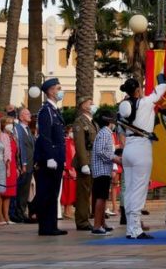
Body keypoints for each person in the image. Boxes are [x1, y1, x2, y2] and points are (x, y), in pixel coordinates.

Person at [117, 77, 166, 240]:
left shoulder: (123, 107)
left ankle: (131, 228)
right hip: (141, 148)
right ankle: (136, 229)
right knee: (138, 191)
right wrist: (162, 78)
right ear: (138, 90)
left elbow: (121, 130)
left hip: (128, 148)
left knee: (130, 190)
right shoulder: (145, 103)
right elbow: (161, 89)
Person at [33, 78, 68, 236]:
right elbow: (44, 136)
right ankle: (45, 226)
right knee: (46, 192)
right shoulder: (45, 110)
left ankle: (52, 225)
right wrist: (49, 157)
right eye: (58, 88)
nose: (61, 91)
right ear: (50, 91)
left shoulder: (54, 110)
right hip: (49, 159)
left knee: (53, 193)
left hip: (57, 158)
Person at [90, 115, 121, 235]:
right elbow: (101, 151)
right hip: (101, 170)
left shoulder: (105, 133)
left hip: (104, 170)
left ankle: (102, 224)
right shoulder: (105, 133)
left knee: (103, 197)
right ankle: (97, 226)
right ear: (109, 121)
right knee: (101, 198)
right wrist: (115, 158)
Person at [71, 96, 97, 231]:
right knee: (83, 194)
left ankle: (86, 218)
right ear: (83, 106)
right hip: (85, 161)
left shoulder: (92, 122)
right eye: (90, 103)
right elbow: (80, 144)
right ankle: (82, 221)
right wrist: (83, 163)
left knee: (88, 192)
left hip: (93, 161)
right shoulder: (79, 122)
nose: (93, 105)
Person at [13, 108, 35, 223]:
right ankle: (18, 213)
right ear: (21, 117)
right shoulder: (17, 129)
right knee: (20, 190)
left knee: (26, 191)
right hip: (23, 164)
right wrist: (22, 163)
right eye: (27, 113)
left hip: (31, 165)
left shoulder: (28, 129)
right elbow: (19, 148)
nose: (29, 115)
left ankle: (22, 211)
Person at [2, 116, 18, 224]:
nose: (10, 125)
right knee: (4, 192)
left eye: (12, 123)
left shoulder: (13, 136)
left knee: (10, 193)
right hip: (5, 165)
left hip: (13, 165)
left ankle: (7, 216)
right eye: (8, 122)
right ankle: (3, 216)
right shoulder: (2, 136)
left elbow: (16, 153)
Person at [61, 126, 77, 220]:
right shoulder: (65, 143)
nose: (73, 133)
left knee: (72, 191)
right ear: (67, 132)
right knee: (67, 191)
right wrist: (68, 169)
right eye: (71, 131)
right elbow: (64, 157)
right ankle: (66, 211)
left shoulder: (74, 143)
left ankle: (70, 210)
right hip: (68, 170)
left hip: (75, 169)